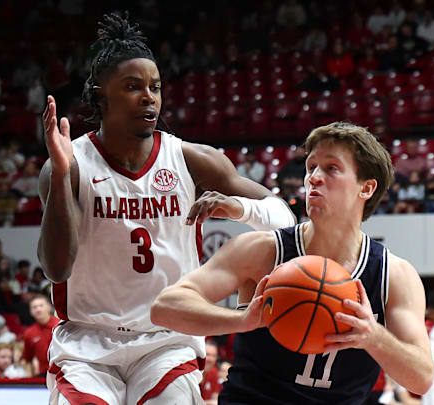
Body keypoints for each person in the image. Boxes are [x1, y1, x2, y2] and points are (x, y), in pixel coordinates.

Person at [39, 12, 296, 405]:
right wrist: (59, 176)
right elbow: (57, 268)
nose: (149, 97)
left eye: (155, 87)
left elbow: (284, 216)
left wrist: (237, 208)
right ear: (99, 95)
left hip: (167, 338)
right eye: (132, 86)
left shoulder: (191, 160)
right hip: (86, 343)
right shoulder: (71, 164)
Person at [150, 122, 434, 403]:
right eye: (311, 167)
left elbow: (421, 378)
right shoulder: (263, 250)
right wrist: (243, 320)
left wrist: (373, 337)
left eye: (331, 168)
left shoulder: (393, 275)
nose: (313, 177)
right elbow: (165, 308)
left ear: (366, 188)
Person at [22, 295, 58, 377]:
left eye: (41, 306)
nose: (38, 309)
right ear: (31, 312)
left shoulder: (60, 326)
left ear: (49, 307)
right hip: (43, 375)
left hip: (63, 371)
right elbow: (27, 358)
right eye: (34, 307)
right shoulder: (29, 333)